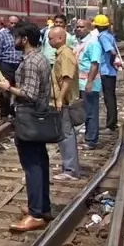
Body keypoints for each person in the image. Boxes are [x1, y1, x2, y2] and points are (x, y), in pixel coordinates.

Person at [0, 22, 53, 232]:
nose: (14, 41)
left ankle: (36, 213)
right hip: (36, 118)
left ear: (25, 40)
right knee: (40, 161)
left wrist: (8, 87)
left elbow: (29, 94)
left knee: (32, 165)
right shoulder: (39, 58)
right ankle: (41, 206)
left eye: (16, 37)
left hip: (28, 118)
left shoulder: (31, 62)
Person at [49, 26, 83, 180]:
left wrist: (60, 98)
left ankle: (71, 170)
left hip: (66, 101)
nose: (49, 41)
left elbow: (67, 79)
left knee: (67, 134)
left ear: (60, 38)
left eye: (51, 38)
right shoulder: (62, 54)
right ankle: (68, 168)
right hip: (63, 100)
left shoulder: (66, 55)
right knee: (64, 134)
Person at [74, 18, 104, 151]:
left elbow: (95, 63)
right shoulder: (81, 43)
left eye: (82, 27)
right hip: (80, 83)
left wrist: (90, 82)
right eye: (77, 27)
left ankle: (91, 140)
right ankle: (88, 137)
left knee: (91, 112)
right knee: (85, 111)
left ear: (89, 29)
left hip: (89, 83)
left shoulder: (93, 43)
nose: (78, 29)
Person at [0, 16, 21, 120]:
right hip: (6, 64)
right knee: (4, 89)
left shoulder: (20, 34)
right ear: (8, 23)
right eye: (11, 23)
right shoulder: (2, 35)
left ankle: (14, 111)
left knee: (18, 89)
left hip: (19, 64)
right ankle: (4, 114)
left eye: (15, 23)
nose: (13, 25)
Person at [95, 15, 120, 133]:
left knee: (108, 98)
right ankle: (113, 123)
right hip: (111, 72)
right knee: (111, 97)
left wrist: (111, 62)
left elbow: (112, 51)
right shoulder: (110, 35)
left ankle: (111, 125)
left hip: (106, 71)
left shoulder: (102, 37)